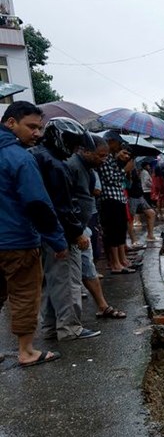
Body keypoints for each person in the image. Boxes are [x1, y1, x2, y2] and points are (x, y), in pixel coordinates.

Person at [0, 101, 67, 366]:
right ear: (10, 122)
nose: (37, 133)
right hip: (17, 241)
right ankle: (26, 351)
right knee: (25, 295)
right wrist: (57, 240)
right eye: (31, 127)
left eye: (39, 128)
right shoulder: (20, 158)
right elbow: (38, 204)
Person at [30, 117, 101, 342]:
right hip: (60, 233)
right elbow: (63, 206)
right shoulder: (55, 164)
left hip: (43, 233)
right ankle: (70, 328)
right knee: (67, 280)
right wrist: (76, 232)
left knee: (52, 282)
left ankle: (52, 327)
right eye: (72, 144)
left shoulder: (37, 156)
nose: (73, 149)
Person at [66, 133, 125, 320]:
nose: (104, 159)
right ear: (85, 151)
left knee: (87, 267)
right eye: (100, 155)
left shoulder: (88, 169)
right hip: (73, 229)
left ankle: (102, 306)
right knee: (71, 277)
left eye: (106, 156)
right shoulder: (72, 167)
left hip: (82, 226)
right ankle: (68, 325)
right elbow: (66, 203)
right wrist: (76, 230)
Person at [96, 131, 137, 274]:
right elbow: (111, 179)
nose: (119, 146)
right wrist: (124, 169)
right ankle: (115, 263)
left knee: (120, 231)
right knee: (112, 233)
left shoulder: (112, 158)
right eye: (117, 143)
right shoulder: (105, 158)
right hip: (109, 199)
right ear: (110, 141)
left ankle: (122, 260)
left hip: (118, 197)